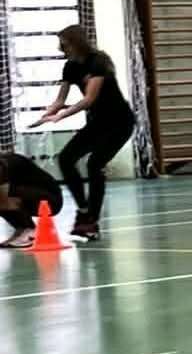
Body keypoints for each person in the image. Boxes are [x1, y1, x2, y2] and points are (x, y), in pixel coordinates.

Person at [28, 25, 136, 241]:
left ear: (77, 43)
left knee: (94, 164)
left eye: (65, 44)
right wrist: (48, 114)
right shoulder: (70, 66)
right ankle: (84, 209)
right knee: (66, 158)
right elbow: (60, 100)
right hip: (98, 123)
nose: (61, 49)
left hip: (120, 122)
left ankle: (92, 220)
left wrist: (62, 116)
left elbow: (89, 99)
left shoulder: (98, 62)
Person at [0, 152, 63, 249]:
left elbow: (4, 196)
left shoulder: (6, 164)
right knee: (5, 194)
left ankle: (29, 230)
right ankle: (22, 229)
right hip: (31, 195)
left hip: (50, 200)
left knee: (4, 193)